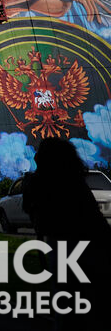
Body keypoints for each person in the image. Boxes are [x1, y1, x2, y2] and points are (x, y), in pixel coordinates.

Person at [22, 138, 111, 328]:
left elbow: (31, 208)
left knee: (67, 300)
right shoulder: (75, 180)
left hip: (66, 244)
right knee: (93, 299)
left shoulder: (41, 181)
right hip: (93, 243)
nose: (36, 155)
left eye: (39, 151)